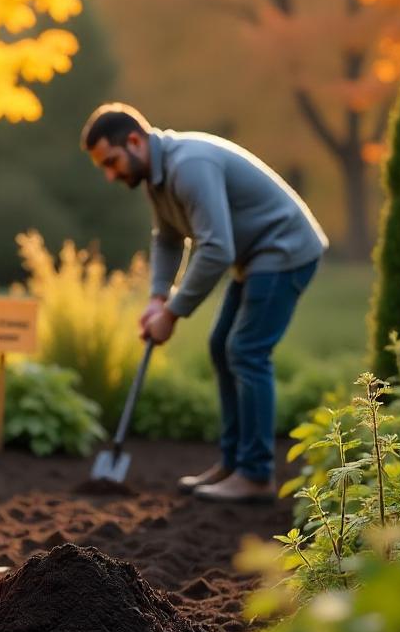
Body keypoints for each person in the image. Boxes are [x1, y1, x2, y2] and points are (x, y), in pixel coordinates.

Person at [81, 102, 327, 504]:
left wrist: (173, 313)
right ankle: (233, 463)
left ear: (134, 141)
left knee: (247, 351)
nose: (110, 175)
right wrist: (157, 297)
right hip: (255, 257)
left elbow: (215, 248)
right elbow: (167, 237)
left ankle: (256, 474)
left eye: (111, 162)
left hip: (284, 250)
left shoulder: (189, 164)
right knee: (221, 346)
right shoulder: (156, 177)